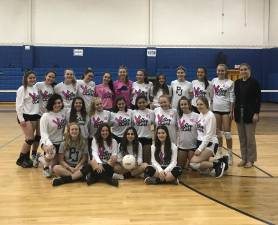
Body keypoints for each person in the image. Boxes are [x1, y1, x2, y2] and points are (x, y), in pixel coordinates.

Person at [189, 97, 228, 178]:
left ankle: (217, 164)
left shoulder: (210, 116)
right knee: (202, 170)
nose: (199, 106)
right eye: (198, 104)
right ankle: (222, 160)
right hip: (201, 142)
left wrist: (200, 149)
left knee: (193, 163)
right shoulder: (200, 114)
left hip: (210, 143)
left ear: (206, 104)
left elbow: (208, 135)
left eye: (201, 104)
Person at [234, 63, 261, 168]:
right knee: (242, 138)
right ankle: (244, 158)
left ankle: (251, 160)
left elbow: (258, 99)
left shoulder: (254, 83)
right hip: (239, 113)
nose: (243, 71)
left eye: (245, 69)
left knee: (250, 138)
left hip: (250, 114)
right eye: (241, 70)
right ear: (239, 71)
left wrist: (256, 113)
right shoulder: (237, 82)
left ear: (249, 70)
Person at [16, 70, 40, 168]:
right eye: (30, 78)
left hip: (34, 115)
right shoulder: (22, 89)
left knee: (31, 138)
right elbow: (18, 106)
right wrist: (21, 119)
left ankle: (27, 159)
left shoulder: (35, 87)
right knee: (30, 139)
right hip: (25, 116)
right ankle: (20, 159)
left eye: (34, 78)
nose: (32, 79)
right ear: (26, 79)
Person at [212, 64, 235, 165]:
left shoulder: (230, 82)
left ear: (226, 71)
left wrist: (231, 111)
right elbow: (212, 94)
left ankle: (230, 154)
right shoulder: (213, 81)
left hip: (226, 110)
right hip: (216, 109)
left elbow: (232, 98)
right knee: (218, 133)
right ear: (216, 71)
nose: (220, 72)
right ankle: (220, 151)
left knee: (227, 133)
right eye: (219, 70)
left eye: (222, 70)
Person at [40, 94, 67, 177]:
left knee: (56, 164)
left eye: (59, 103)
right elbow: (43, 133)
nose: (57, 105)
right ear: (51, 104)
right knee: (51, 153)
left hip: (60, 142)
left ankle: (41, 158)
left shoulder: (63, 114)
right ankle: (45, 167)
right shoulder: (46, 116)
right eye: (55, 103)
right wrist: (49, 144)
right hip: (47, 142)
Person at [176, 96, 198, 169]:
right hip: (182, 146)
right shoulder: (178, 116)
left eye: (185, 104)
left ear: (189, 104)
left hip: (193, 146)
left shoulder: (196, 116)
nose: (183, 106)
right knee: (180, 168)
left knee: (194, 167)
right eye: (181, 104)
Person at [132, 95, 154, 164]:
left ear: (147, 102)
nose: (141, 104)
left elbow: (154, 125)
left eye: (143, 102)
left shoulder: (151, 112)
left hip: (147, 138)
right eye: (139, 103)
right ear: (136, 103)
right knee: (137, 160)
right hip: (137, 138)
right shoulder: (133, 113)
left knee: (146, 159)